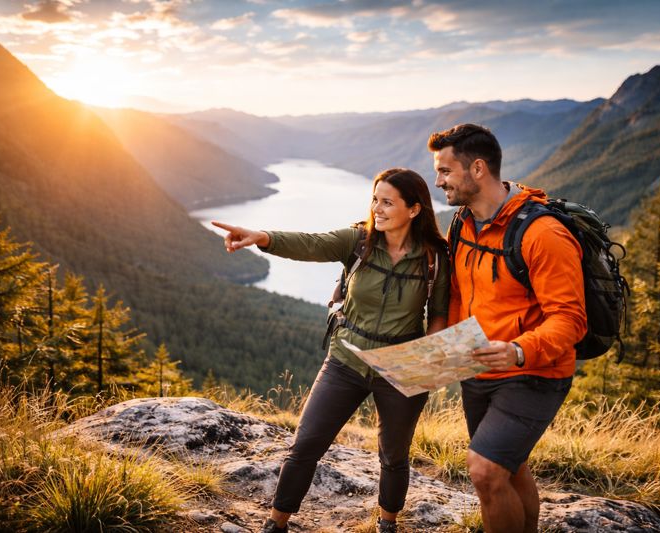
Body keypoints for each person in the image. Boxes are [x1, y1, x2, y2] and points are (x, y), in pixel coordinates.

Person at [211, 168, 449, 533]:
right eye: (375, 199)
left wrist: (425, 364)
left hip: (400, 367)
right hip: (346, 360)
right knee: (306, 444)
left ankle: (387, 524)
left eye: (387, 202)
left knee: (394, 455)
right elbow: (312, 243)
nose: (377, 208)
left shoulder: (434, 257)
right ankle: (277, 523)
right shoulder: (359, 240)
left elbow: (439, 315)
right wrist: (262, 237)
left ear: (414, 210)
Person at [427, 124, 586, 533]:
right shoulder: (462, 223)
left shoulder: (543, 233)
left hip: (536, 371)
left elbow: (570, 320)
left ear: (477, 169)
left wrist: (518, 351)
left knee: (484, 470)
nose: (438, 180)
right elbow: (461, 294)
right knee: (509, 469)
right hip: (480, 367)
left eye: (445, 171)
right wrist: (446, 342)